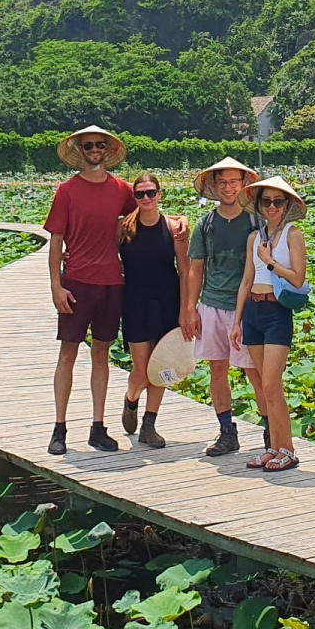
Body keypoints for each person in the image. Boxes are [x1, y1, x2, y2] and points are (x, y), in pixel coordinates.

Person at [43, 125, 136, 456]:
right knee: (68, 353)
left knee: (102, 353)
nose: (94, 150)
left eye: (100, 145)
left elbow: (144, 210)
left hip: (112, 281)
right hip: (77, 282)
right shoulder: (66, 191)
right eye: (88, 146)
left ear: (108, 150)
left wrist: (176, 224)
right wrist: (56, 285)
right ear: (78, 151)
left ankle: (98, 427)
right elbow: (55, 241)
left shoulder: (122, 189)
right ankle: (59, 428)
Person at [183, 156, 264, 457]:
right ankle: (226, 431)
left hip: (248, 307)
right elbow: (196, 268)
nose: (228, 188)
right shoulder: (205, 224)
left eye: (234, 181)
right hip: (212, 304)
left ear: (245, 185)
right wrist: (191, 308)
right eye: (222, 182)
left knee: (254, 371)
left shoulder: (258, 221)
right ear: (213, 187)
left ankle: (271, 431)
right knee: (217, 370)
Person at [234, 175, 308, 473]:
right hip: (252, 311)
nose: (272, 206)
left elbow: (298, 278)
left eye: (278, 201)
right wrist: (236, 320)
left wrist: (270, 261)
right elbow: (246, 280)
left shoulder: (293, 235)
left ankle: (287, 449)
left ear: (287, 204)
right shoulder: (254, 237)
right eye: (267, 201)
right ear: (259, 204)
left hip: (277, 312)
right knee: (264, 388)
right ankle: (273, 448)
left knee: (271, 383)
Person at [117, 170, 189, 448]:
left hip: (167, 301)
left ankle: (150, 423)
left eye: (151, 192)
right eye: (140, 194)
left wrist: (187, 309)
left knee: (162, 367)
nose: (146, 198)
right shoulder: (123, 228)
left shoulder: (174, 228)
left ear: (159, 195)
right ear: (134, 197)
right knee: (141, 369)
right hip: (135, 301)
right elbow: (103, 253)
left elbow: (184, 270)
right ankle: (131, 398)